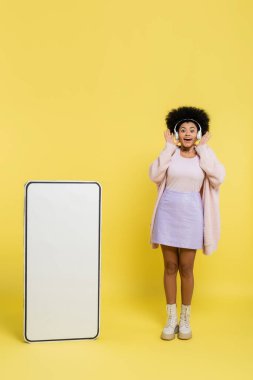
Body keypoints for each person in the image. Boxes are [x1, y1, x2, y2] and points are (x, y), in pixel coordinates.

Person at [148, 106, 225, 340]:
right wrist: (168, 147)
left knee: (187, 268)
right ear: (176, 133)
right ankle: (171, 319)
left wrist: (205, 150)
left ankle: (185, 318)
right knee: (170, 267)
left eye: (192, 129)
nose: (188, 133)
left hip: (192, 214)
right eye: (183, 129)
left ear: (199, 133)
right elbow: (154, 174)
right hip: (167, 212)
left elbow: (218, 177)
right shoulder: (170, 154)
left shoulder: (204, 156)